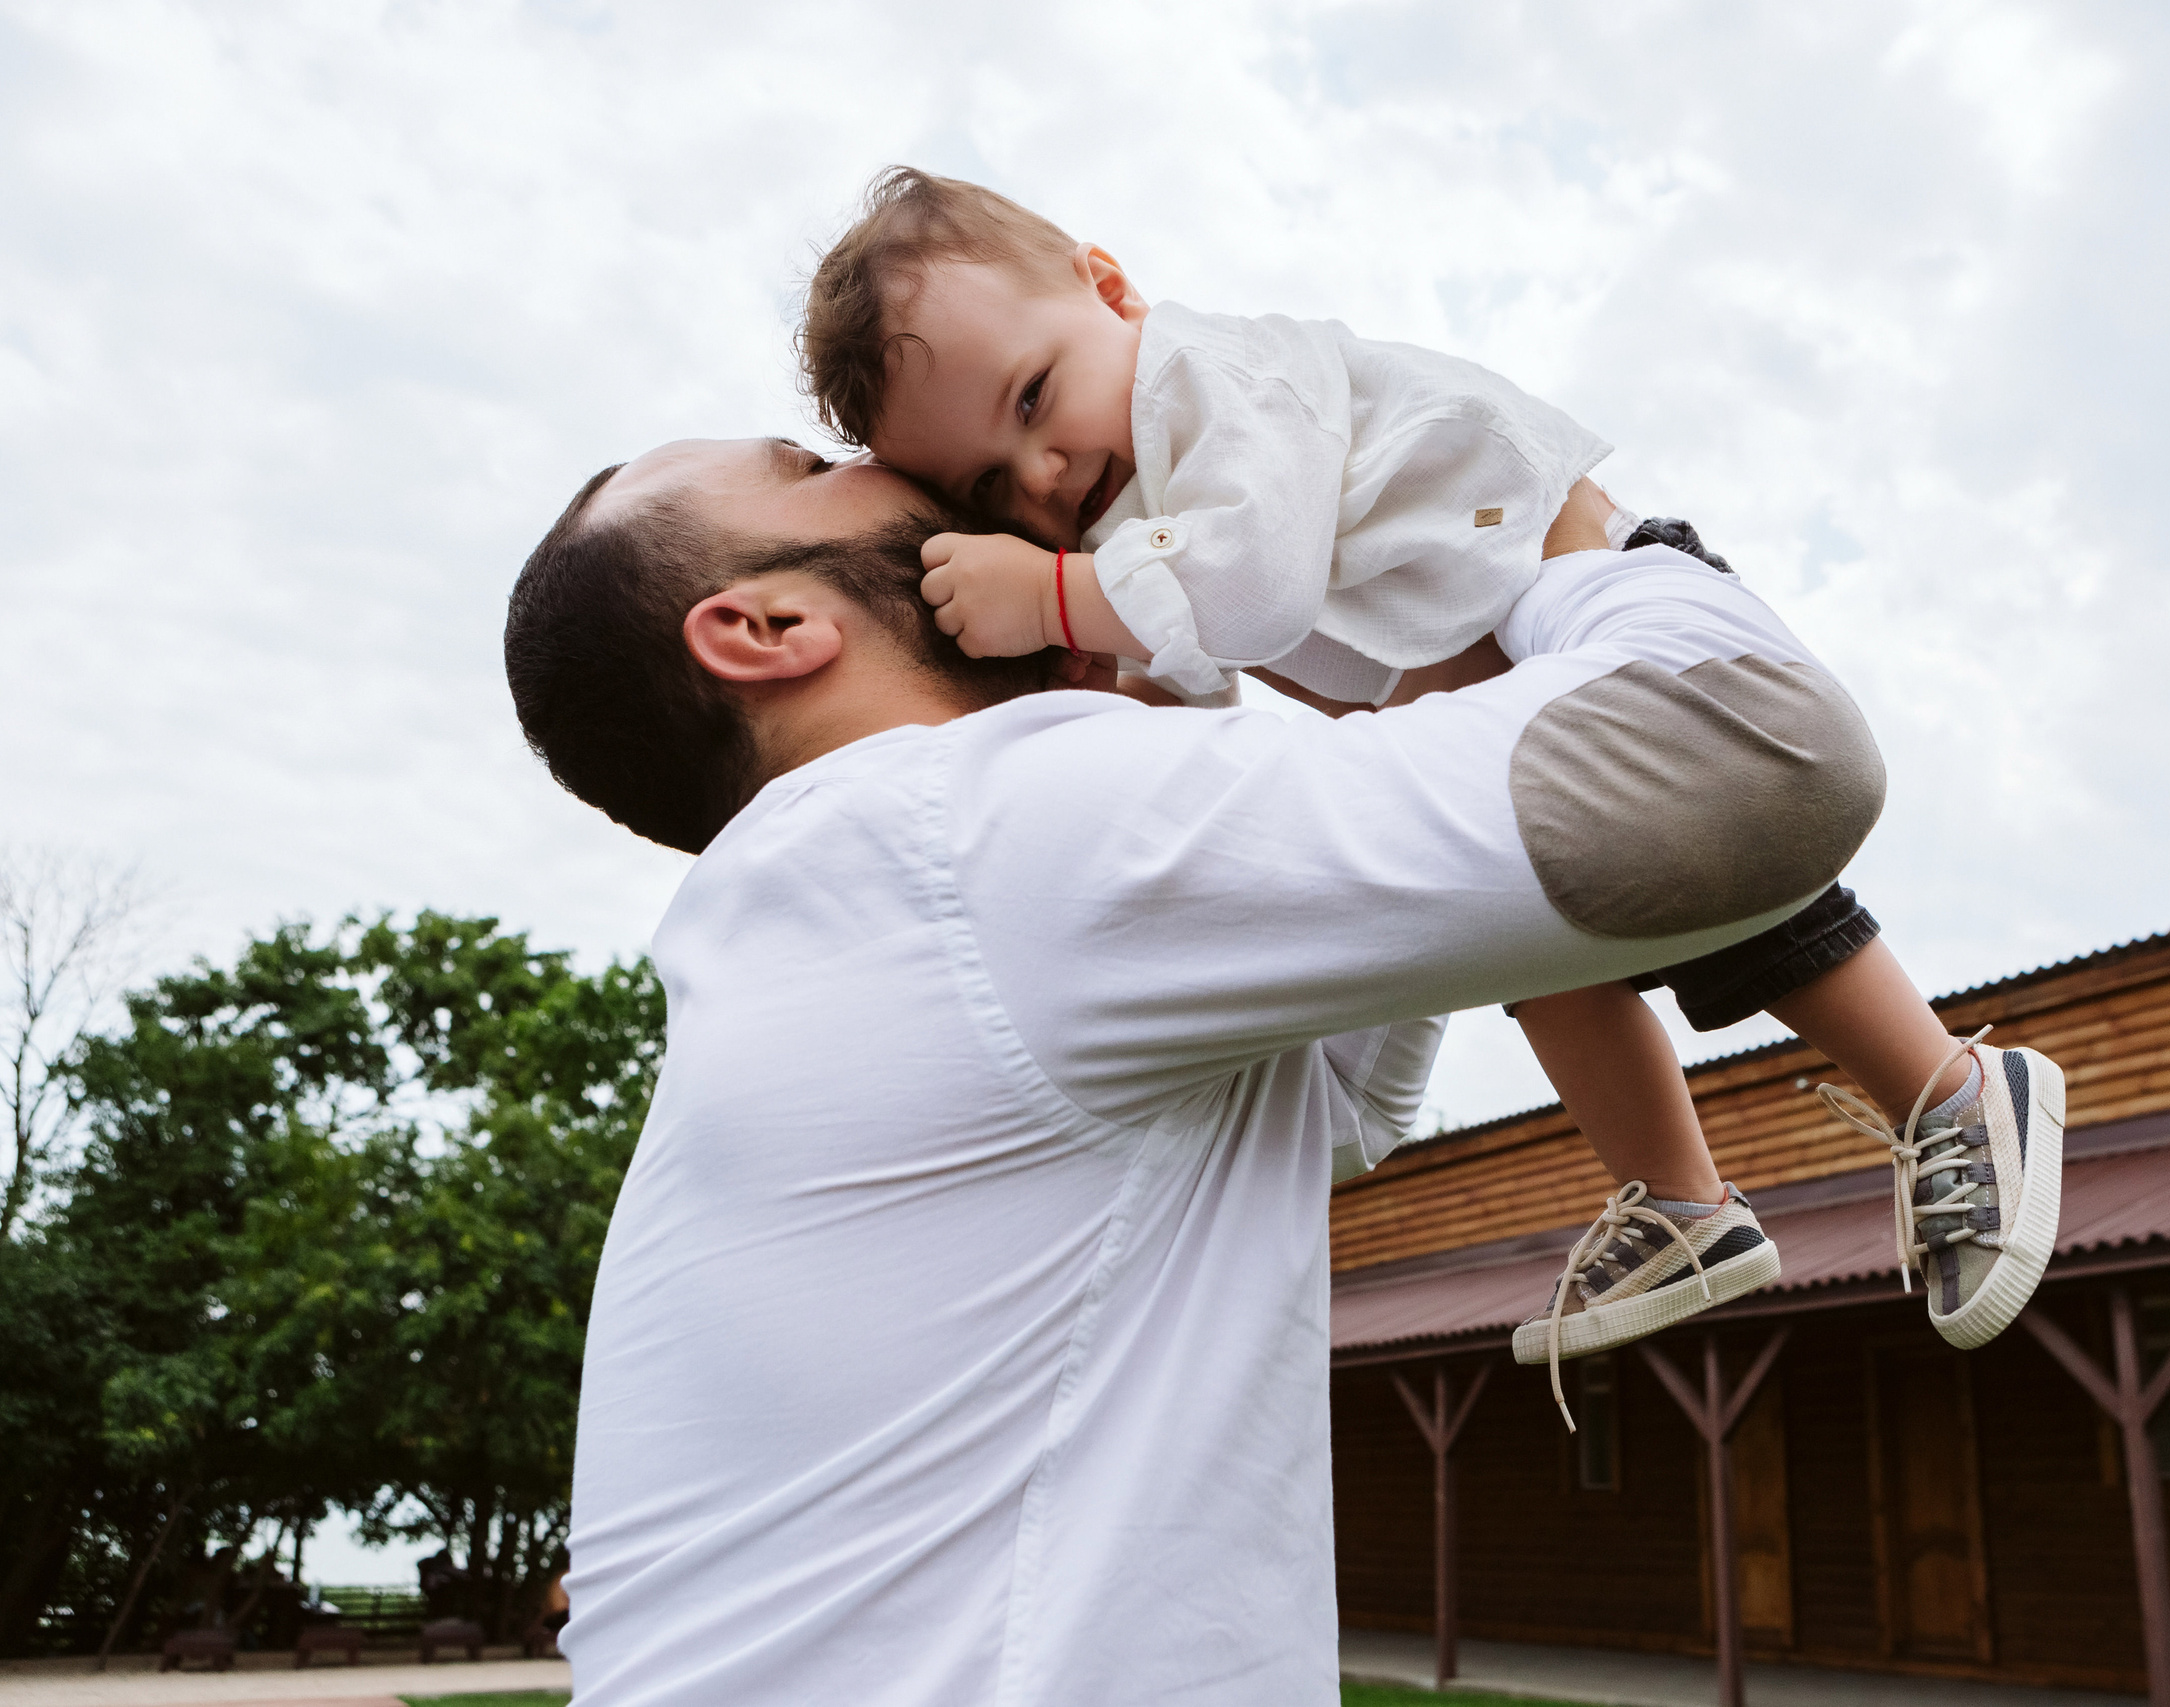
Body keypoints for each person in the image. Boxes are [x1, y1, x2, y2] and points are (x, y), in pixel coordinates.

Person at [504, 439, 2041, 1703]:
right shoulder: (977, 823)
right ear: (765, 628)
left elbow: (1333, 1113)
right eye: (810, 464)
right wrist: (1552, 510)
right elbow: (1754, 757)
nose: (879, 453)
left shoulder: (840, 901)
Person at [795, 169, 2066, 1384]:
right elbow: (1202, 680)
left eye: (1030, 401)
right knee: (1537, 952)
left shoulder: (1219, 377)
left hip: (1576, 595)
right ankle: (1686, 1203)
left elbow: (1256, 583)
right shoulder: (1135, 531)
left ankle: (1952, 1087)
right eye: (987, 485)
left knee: (1729, 836)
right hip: (1487, 699)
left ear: (1109, 287)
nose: (1040, 477)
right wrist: (1106, 685)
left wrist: (1056, 591)